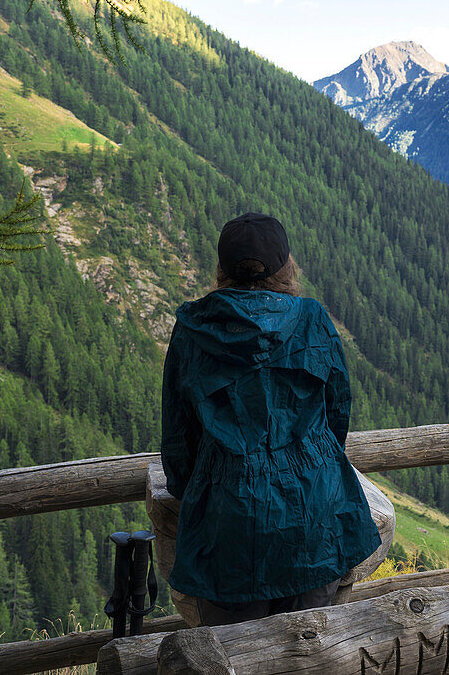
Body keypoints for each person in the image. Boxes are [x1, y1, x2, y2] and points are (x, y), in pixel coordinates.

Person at [160, 212, 381, 625]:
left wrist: (192, 492)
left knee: (233, 658)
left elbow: (178, 433)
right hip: (314, 516)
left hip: (230, 521)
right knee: (306, 653)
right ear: (285, 268)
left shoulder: (193, 329)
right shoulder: (312, 320)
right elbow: (337, 414)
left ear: (222, 270)